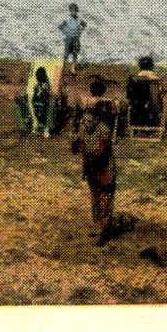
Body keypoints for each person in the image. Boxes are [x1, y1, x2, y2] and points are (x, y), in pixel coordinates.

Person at [71, 79, 118, 244]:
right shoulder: (104, 128)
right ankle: (103, 229)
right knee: (104, 196)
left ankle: (99, 226)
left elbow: (77, 147)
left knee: (96, 196)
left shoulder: (83, 128)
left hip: (91, 166)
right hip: (103, 166)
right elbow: (103, 149)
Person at [128, 56, 164, 130]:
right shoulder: (156, 79)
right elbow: (159, 96)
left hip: (135, 107)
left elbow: (129, 95)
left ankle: (136, 123)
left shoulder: (135, 78)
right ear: (151, 66)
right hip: (152, 107)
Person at [59, 4, 87, 68]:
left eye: (75, 10)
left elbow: (84, 24)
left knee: (75, 52)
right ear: (70, 11)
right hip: (68, 38)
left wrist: (80, 32)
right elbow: (60, 26)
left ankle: (73, 66)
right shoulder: (67, 19)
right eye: (72, 10)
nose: (73, 12)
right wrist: (66, 32)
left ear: (77, 11)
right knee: (66, 53)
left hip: (76, 38)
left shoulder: (79, 19)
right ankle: (64, 66)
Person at [30, 66, 55, 137]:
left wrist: (43, 96)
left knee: (50, 105)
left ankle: (46, 129)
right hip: (38, 104)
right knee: (38, 110)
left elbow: (47, 94)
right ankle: (38, 125)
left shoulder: (46, 84)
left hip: (44, 103)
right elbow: (35, 96)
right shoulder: (37, 85)